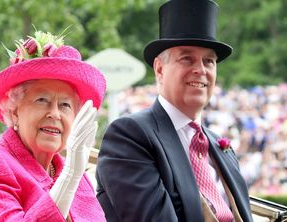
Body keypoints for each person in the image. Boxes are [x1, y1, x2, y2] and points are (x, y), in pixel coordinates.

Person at [95, 0, 253, 221]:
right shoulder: (130, 136)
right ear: (160, 69)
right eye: (187, 58)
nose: (200, 70)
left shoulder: (221, 147)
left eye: (209, 61)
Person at [0, 30, 106, 221]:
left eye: (65, 105)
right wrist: (68, 178)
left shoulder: (78, 176)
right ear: (14, 111)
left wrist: (71, 175)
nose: (55, 113)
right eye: (42, 100)